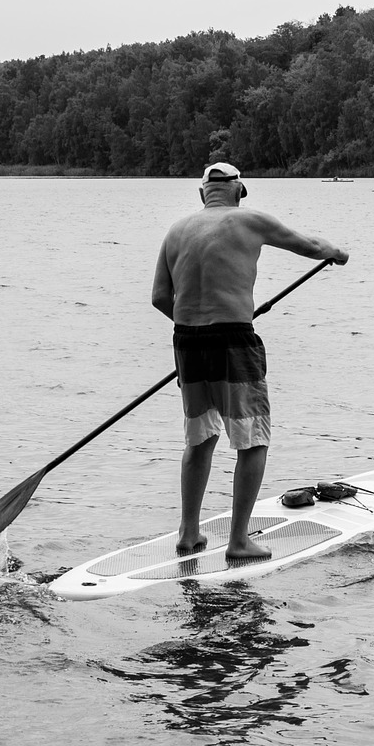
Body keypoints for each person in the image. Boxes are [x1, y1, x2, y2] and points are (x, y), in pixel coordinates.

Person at [151, 162, 349, 562]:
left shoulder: (175, 231)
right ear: (240, 190)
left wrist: (196, 324)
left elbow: (159, 297)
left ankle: (188, 534)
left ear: (202, 193)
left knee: (200, 437)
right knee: (253, 439)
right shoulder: (252, 219)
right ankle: (239, 542)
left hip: (188, 343)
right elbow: (310, 246)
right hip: (233, 342)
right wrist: (336, 252)